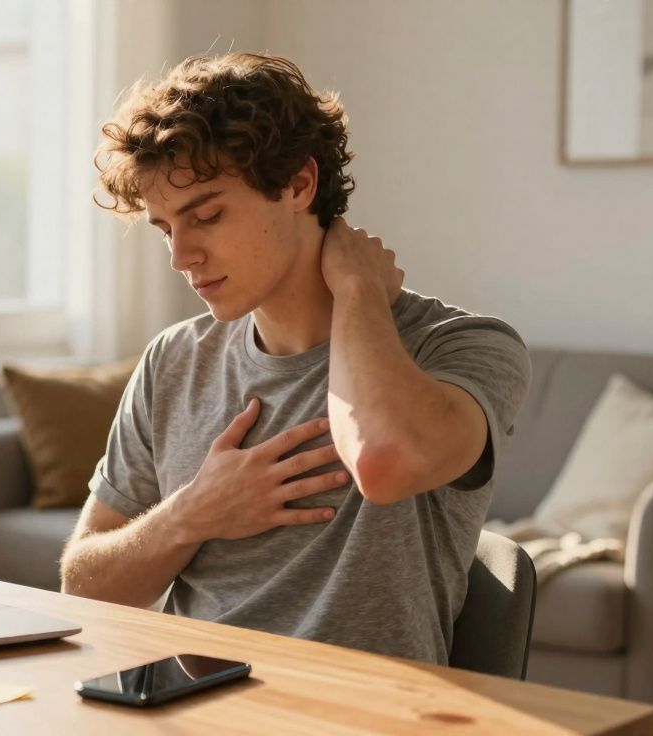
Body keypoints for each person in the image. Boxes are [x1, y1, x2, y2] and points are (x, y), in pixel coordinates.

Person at [58, 52, 532, 665]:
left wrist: (359, 291)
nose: (181, 255)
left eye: (206, 215)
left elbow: (385, 461)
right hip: (194, 712)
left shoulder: (461, 346)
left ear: (300, 185)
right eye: (165, 228)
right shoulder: (173, 361)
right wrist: (191, 514)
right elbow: (83, 589)